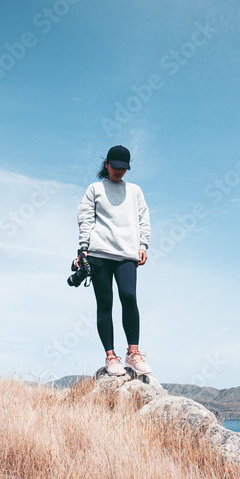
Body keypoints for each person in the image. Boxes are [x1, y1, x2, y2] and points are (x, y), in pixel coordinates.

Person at [76, 145, 152, 377]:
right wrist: (83, 249)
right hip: (99, 253)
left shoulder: (135, 191)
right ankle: (111, 357)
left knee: (129, 297)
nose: (119, 172)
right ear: (107, 164)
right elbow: (85, 218)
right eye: (116, 167)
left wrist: (143, 244)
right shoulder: (95, 189)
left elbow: (143, 217)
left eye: (124, 168)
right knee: (105, 304)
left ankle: (133, 353)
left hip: (127, 253)